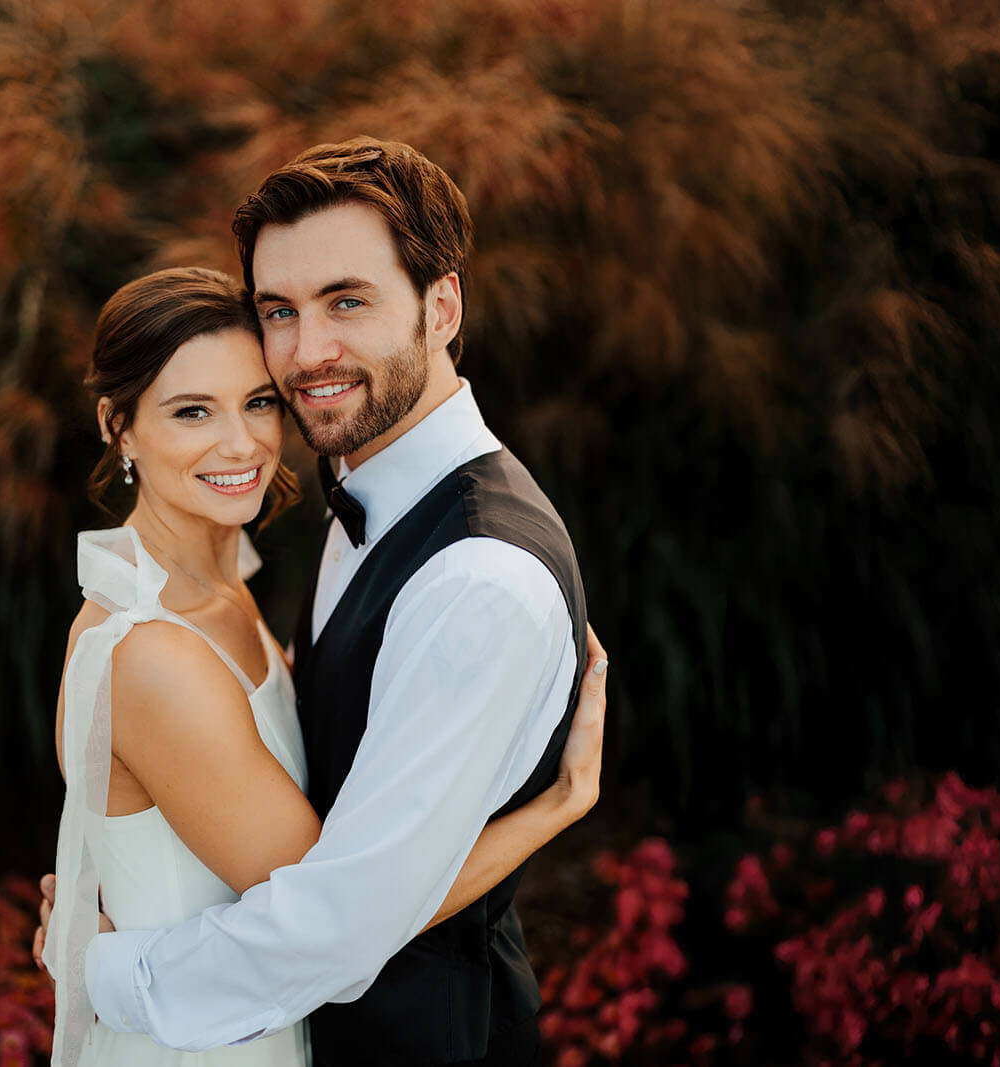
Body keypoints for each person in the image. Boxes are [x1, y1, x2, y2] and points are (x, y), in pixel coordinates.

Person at [41, 264, 608, 1067]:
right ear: (118, 426)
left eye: (258, 401)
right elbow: (345, 918)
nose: (241, 443)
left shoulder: (217, 582)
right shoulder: (152, 652)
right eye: (192, 410)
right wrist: (556, 806)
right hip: (207, 1043)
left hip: (253, 1015)